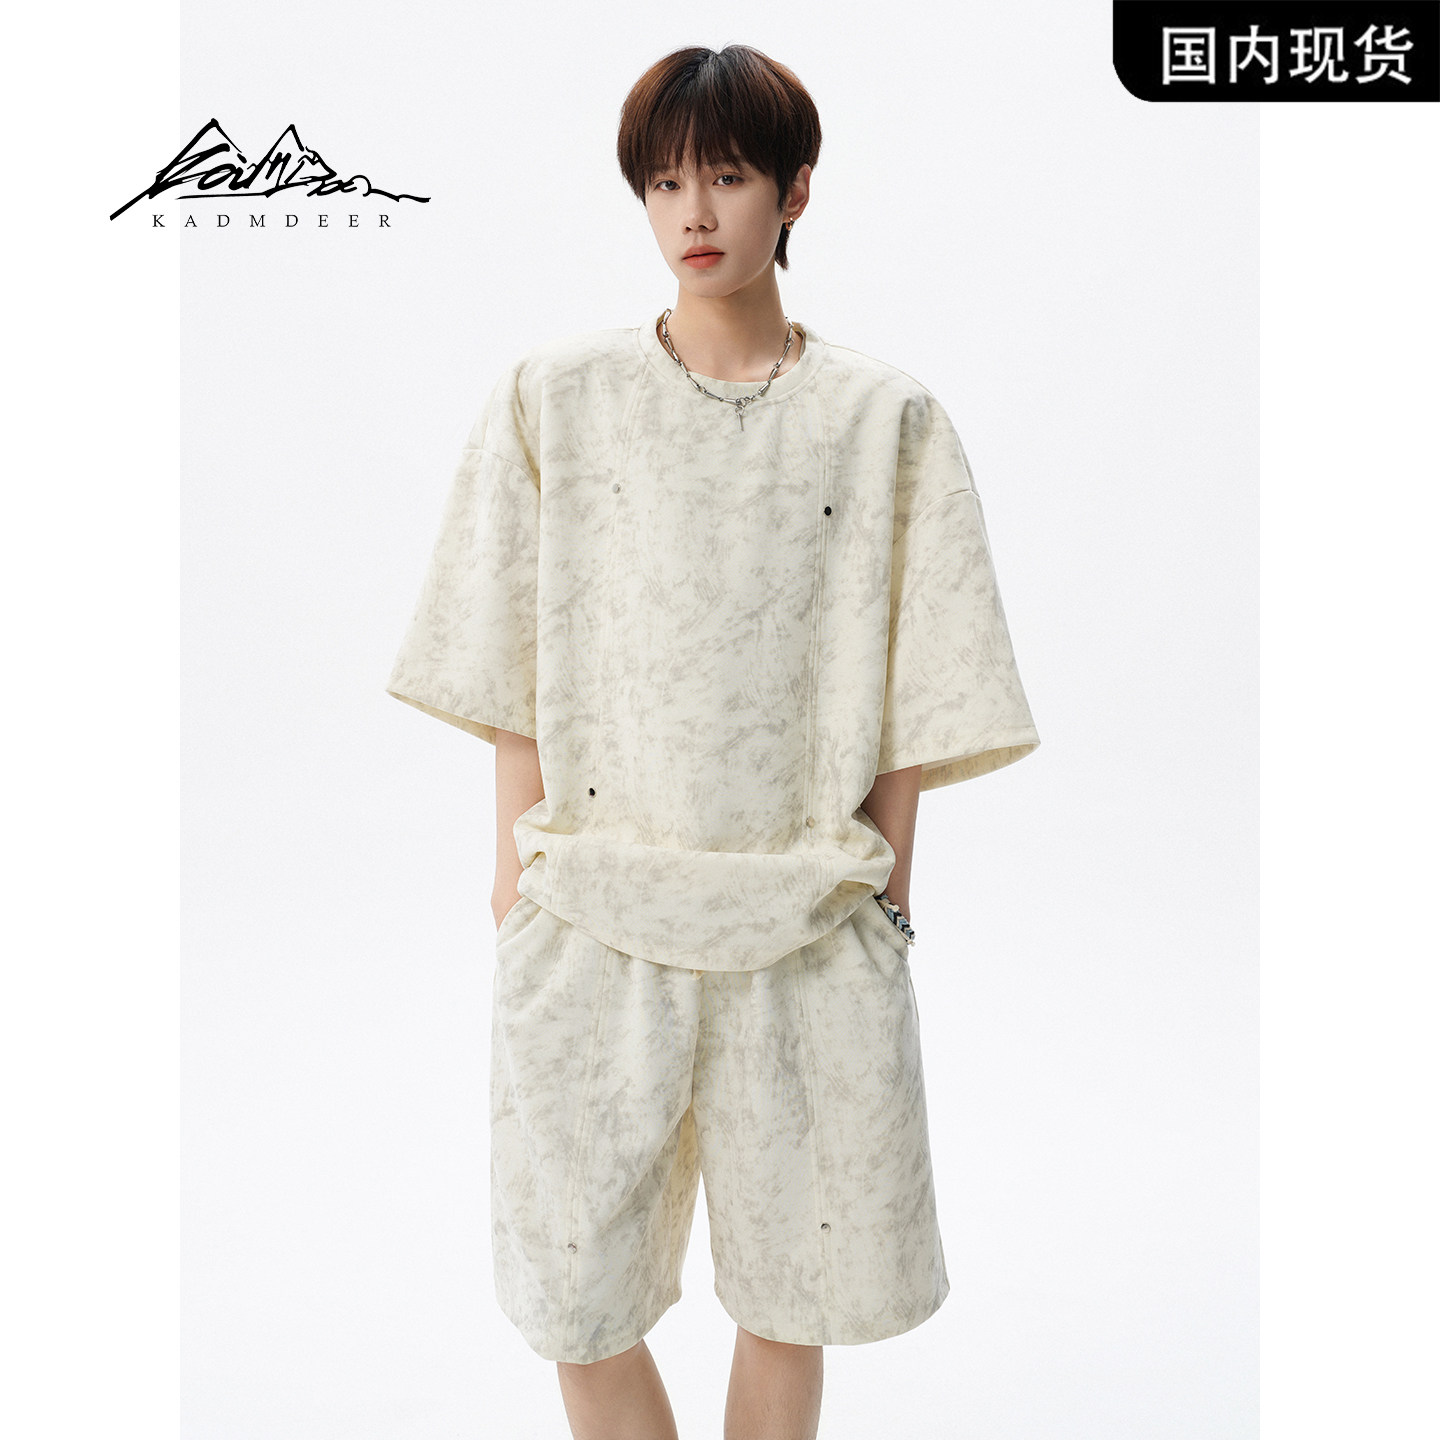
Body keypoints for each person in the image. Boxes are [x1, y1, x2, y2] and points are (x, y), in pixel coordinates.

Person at [385, 42, 1040, 1440]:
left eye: (729, 178)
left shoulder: (883, 418)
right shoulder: (556, 394)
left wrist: (889, 891)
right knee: (576, 1293)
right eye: (666, 183)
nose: (695, 213)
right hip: (593, 908)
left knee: (794, 1290)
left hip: (805, 918)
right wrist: (515, 879)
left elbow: (922, 673)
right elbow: (505, 653)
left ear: (794, 192)